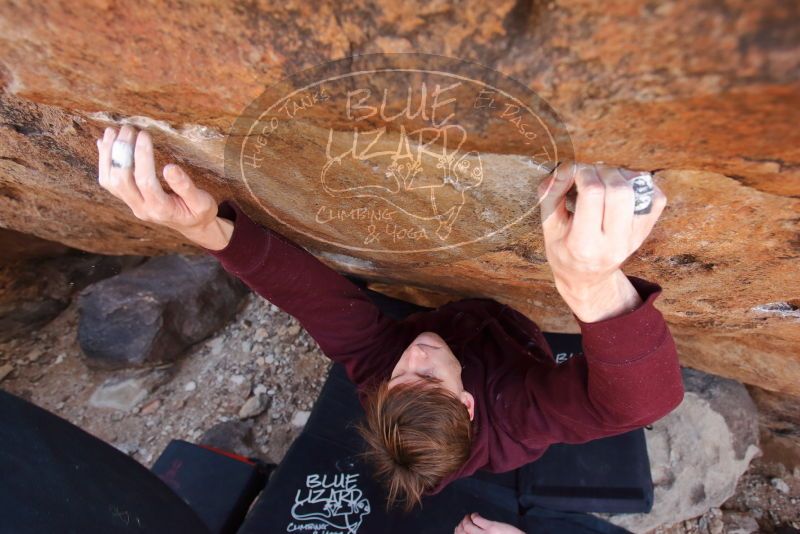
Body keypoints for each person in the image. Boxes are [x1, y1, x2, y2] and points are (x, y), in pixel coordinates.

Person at [96, 125, 684, 512]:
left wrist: (203, 229)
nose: (416, 352)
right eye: (428, 376)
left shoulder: (383, 376)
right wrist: (591, 284)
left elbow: (313, 300)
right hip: (510, 341)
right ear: (467, 404)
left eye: (399, 376)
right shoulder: (516, 419)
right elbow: (636, 405)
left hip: (465, 325)